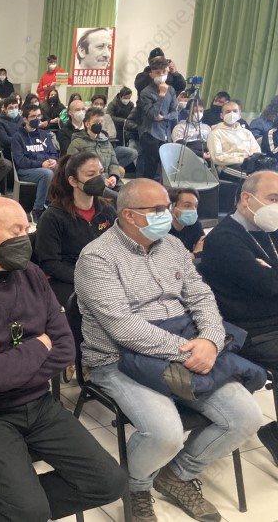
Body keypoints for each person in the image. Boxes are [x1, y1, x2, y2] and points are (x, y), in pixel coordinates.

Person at [74, 178, 263, 522]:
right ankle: (137, 487)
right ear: (129, 215)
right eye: (159, 209)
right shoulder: (97, 257)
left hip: (186, 344)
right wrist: (188, 351)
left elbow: (201, 296)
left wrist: (211, 340)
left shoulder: (172, 246)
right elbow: (122, 327)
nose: (169, 214)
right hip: (119, 359)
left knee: (246, 416)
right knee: (165, 433)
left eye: (168, 206)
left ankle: (176, 475)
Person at [0, 196, 126, 521]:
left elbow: (65, 349)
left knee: (110, 483)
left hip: (38, 403)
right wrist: (40, 345)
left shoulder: (31, 274)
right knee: (29, 511)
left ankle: (17, 507)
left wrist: (7, 363)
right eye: (15, 231)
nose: (25, 238)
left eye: (26, 228)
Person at [200, 171, 278, 464]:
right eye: (273, 198)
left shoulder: (270, 230)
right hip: (247, 330)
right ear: (247, 198)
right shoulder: (224, 239)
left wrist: (269, 273)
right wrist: (269, 276)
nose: (277, 206)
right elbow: (269, 286)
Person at [34, 153, 116, 306]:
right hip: (68, 280)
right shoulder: (52, 217)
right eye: (91, 174)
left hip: (104, 274)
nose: (99, 179)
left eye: (101, 172)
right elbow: (50, 264)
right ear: (72, 181)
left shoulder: (107, 210)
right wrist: (87, 279)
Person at [10, 104, 59, 222]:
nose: (37, 119)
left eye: (38, 116)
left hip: (45, 167)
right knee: (47, 174)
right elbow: (20, 161)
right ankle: (37, 209)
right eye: (33, 116)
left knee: (63, 169)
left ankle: (57, 206)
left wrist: (54, 160)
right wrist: (41, 164)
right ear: (25, 119)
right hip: (25, 170)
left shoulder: (44, 134)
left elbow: (53, 153)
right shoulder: (18, 137)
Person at [137, 57, 178, 180]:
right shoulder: (146, 92)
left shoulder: (171, 90)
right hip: (150, 134)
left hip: (165, 134)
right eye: (158, 73)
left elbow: (174, 113)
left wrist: (164, 117)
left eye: (164, 72)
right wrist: (161, 95)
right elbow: (153, 115)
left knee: (165, 168)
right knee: (151, 169)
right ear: (152, 74)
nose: (161, 75)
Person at [66, 107, 123, 186]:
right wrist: (100, 180)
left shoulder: (106, 142)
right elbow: (74, 168)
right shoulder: (77, 143)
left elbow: (113, 163)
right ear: (87, 124)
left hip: (109, 180)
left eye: (101, 122)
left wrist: (114, 176)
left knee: (127, 191)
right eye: (96, 122)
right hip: (90, 183)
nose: (99, 125)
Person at [208, 101, 262, 181]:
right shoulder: (215, 133)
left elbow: (257, 151)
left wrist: (249, 160)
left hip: (248, 165)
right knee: (255, 180)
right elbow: (217, 157)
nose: (232, 114)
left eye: (235, 111)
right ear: (222, 115)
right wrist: (241, 159)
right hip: (226, 166)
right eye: (228, 112)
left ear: (240, 115)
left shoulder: (247, 133)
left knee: (268, 176)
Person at [167, 187, 205, 259]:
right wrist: (194, 255)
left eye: (195, 206)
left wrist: (194, 254)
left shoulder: (195, 225)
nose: (193, 210)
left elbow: (204, 250)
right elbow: (166, 259)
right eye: (187, 206)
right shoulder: (162, 229)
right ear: (171, 207)